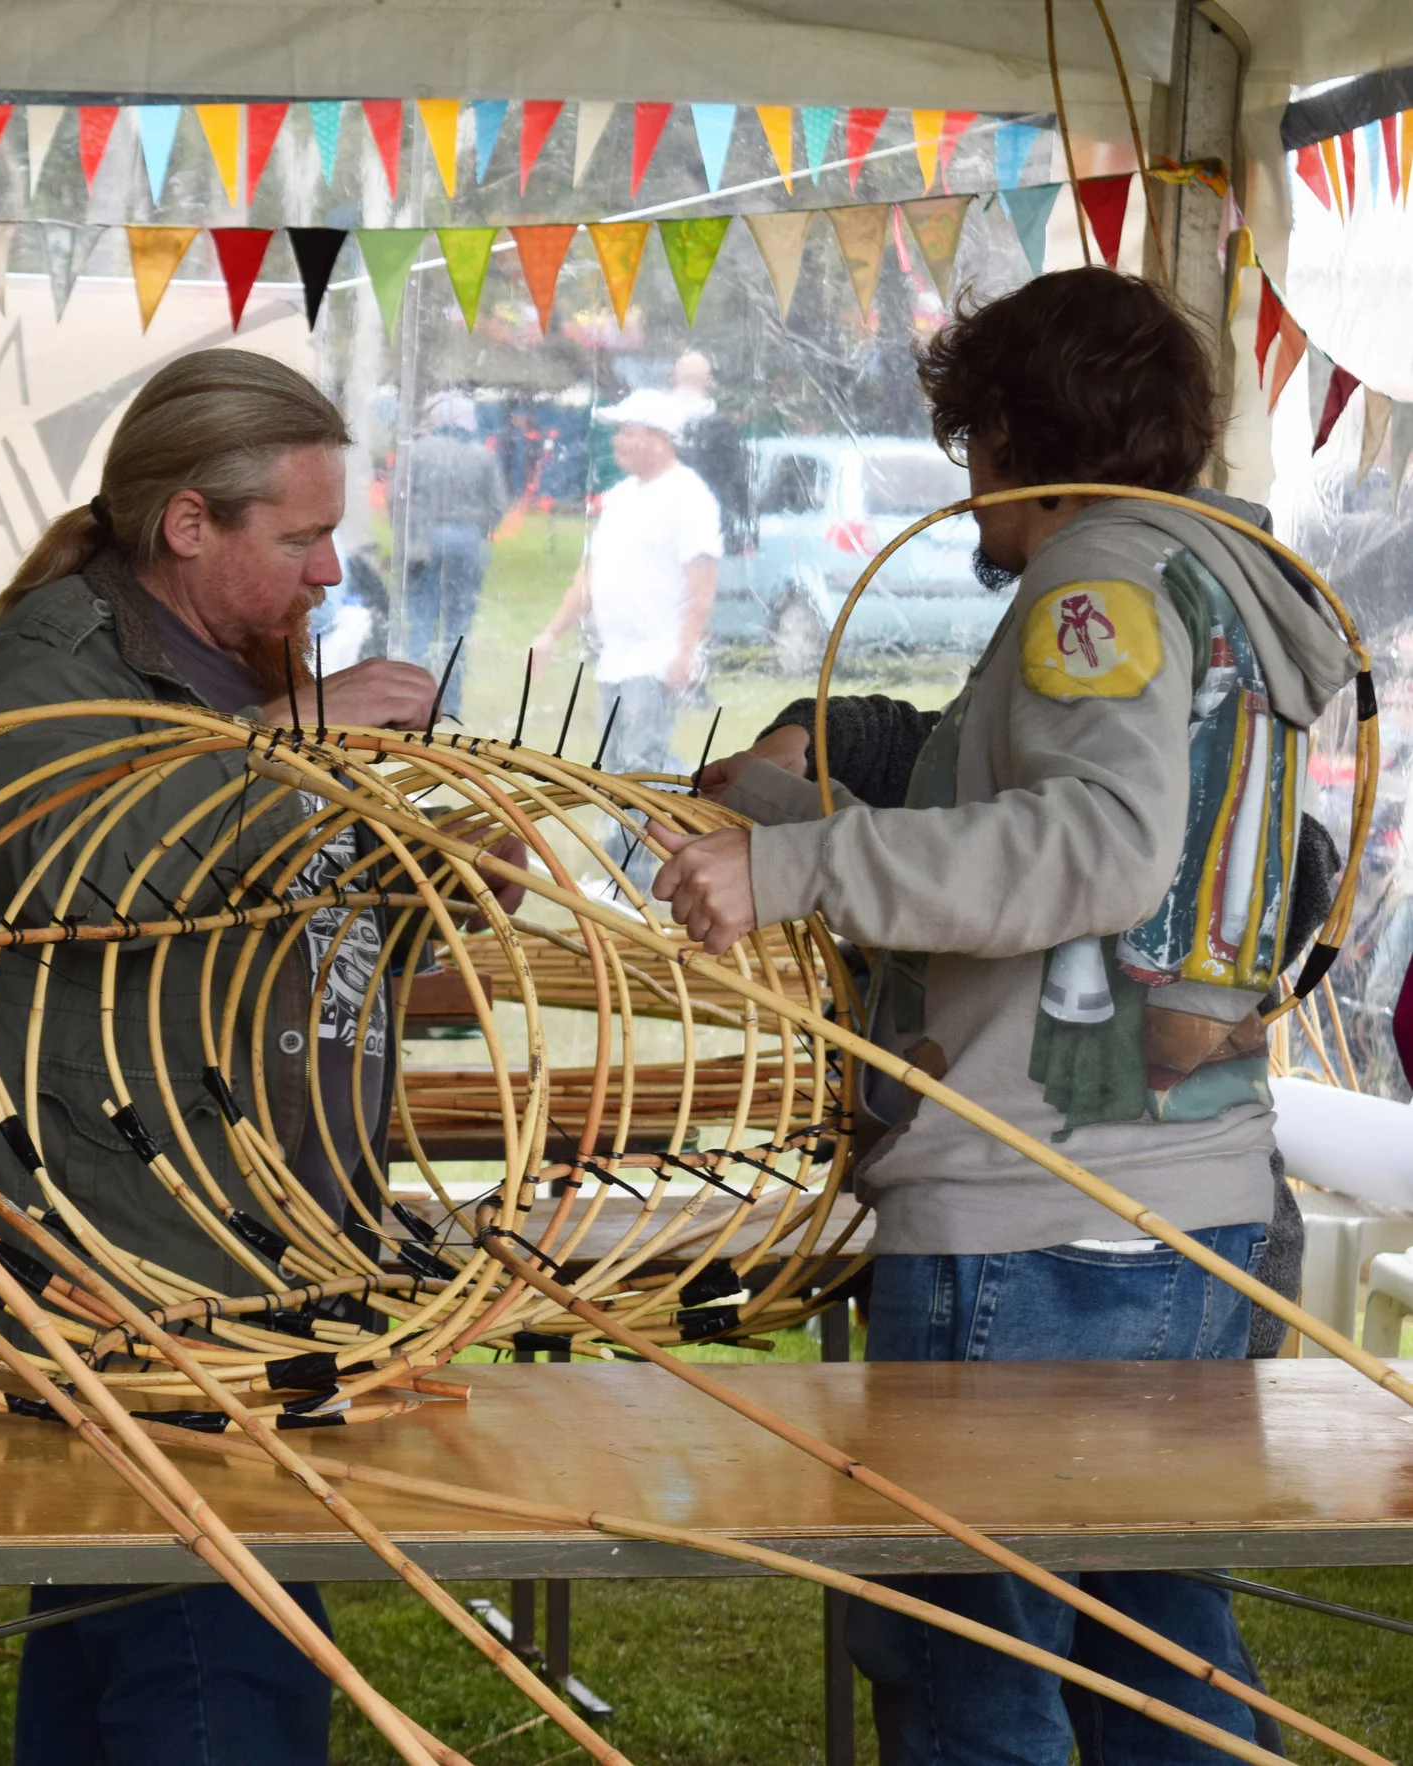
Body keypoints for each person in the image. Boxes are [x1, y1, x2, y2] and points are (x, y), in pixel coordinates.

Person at [663, 269, 1353, 1764]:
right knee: (1148, 1644)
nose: (963, 484)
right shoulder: (1222, 573)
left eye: (967, 437)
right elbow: (1088, 843)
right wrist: (786, 810)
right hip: (1183, 1194)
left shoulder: (1094, 583)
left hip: (1032, 1208)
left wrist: (791, 863)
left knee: (971, 1662)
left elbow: (1099, 849)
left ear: (1006, 435)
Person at [0, 349, 445, 1766]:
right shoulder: (57, 656)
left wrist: (436, 866)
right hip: (142, 1252)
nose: (331, 571)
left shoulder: (252, 675)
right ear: (188, 525)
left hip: (274, 1232)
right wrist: (294, 742)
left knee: (137, 1634)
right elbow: (75, 865)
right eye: (300, 537)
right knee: (214, 1663)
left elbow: (299, 922)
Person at [532, 389, 722, 776]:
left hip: (656, 660)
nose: (616, 440)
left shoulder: (688, 496)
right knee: (613, 769)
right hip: (615, 661)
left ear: (657, 438)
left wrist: (684, 652)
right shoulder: (619, 498)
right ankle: (626, 838)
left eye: (625, 431)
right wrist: (550, 634)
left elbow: (701, 583)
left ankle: (689, 824)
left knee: (643, 768)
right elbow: (589, 575)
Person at [395, 392, 508, 719]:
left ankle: (410, 704)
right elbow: (498, 504)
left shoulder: (416, 452)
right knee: (457, 628)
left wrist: (411, 535)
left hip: (424, 540)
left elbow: (397, 500)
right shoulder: (482, 457)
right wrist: (478, 531)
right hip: (467, 541)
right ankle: (450, 705)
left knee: (419, 622)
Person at [671, 351, 752, 556]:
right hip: (710, 515)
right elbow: (735, 478)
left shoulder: (657, 419)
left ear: (675, 377)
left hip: (668, 515)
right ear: (708, 380)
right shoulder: (722, 425)